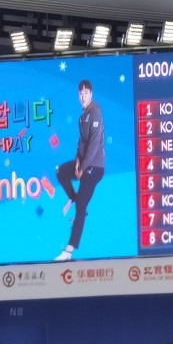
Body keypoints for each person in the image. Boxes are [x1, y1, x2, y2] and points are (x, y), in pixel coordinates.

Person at [54, 79, 105, 261]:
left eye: (86, 93)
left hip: (95, 167)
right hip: (83, 164)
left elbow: (93, 145)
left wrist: (83, 168)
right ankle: (74, 198)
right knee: (61, 172)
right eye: (80, 93)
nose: (83, 96)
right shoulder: (82, 117)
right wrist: (77, 162)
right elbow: (82, 142)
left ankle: (68, 251)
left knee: (81, 207)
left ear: (91, 94)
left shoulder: (95, 114)